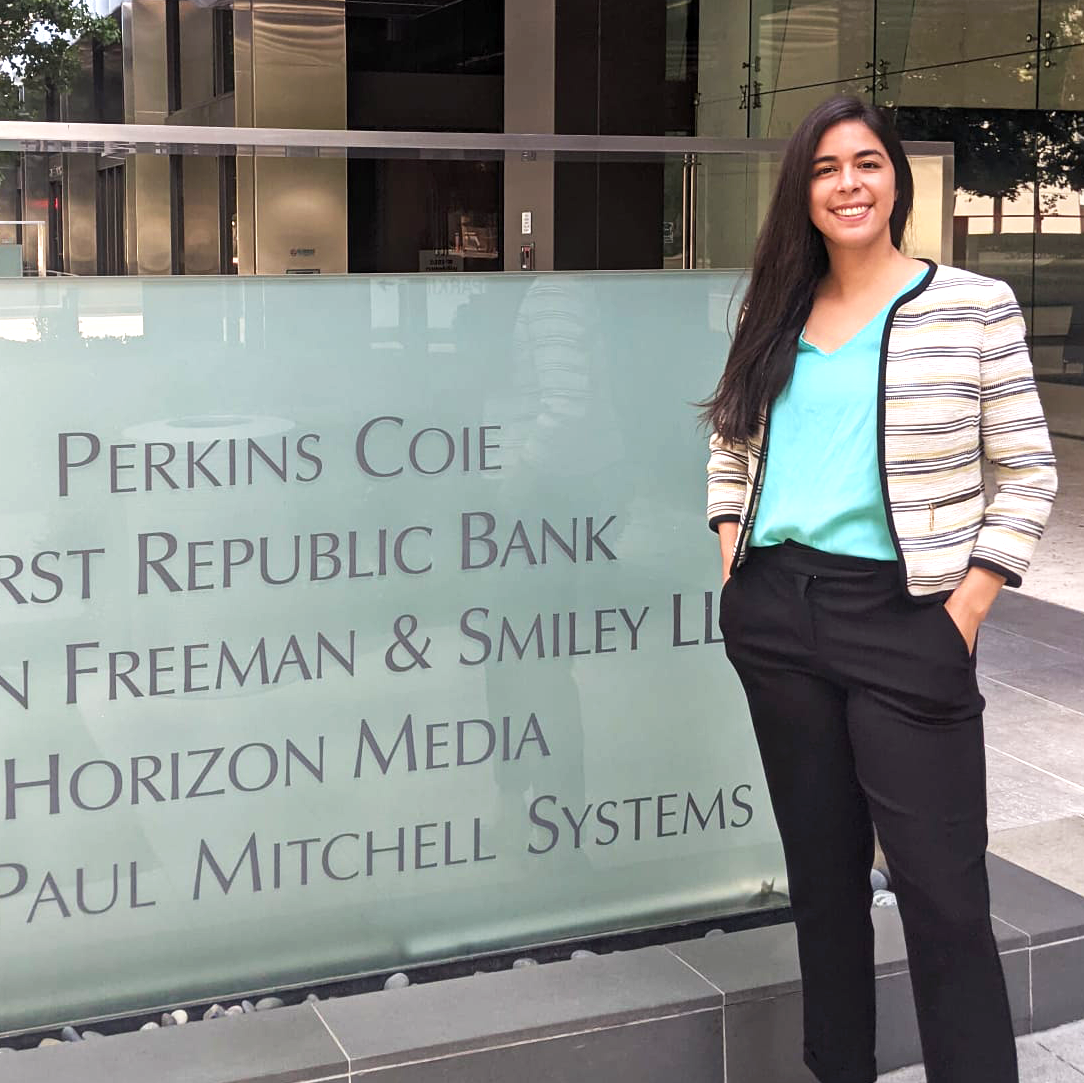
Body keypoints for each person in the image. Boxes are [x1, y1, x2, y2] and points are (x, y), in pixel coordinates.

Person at [700, 95, 1057, 1083]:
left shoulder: (973, 306)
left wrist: (969, 606)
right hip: (777, 612)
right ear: (801, 191)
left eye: (865, 162)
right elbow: (730, 444)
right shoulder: (769, 307)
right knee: (822, 887)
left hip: (908, 619)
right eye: (824, 168)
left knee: (942, 897)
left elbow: (1026, 472)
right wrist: (731, 547)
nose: (847, 183)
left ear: (895, 176)